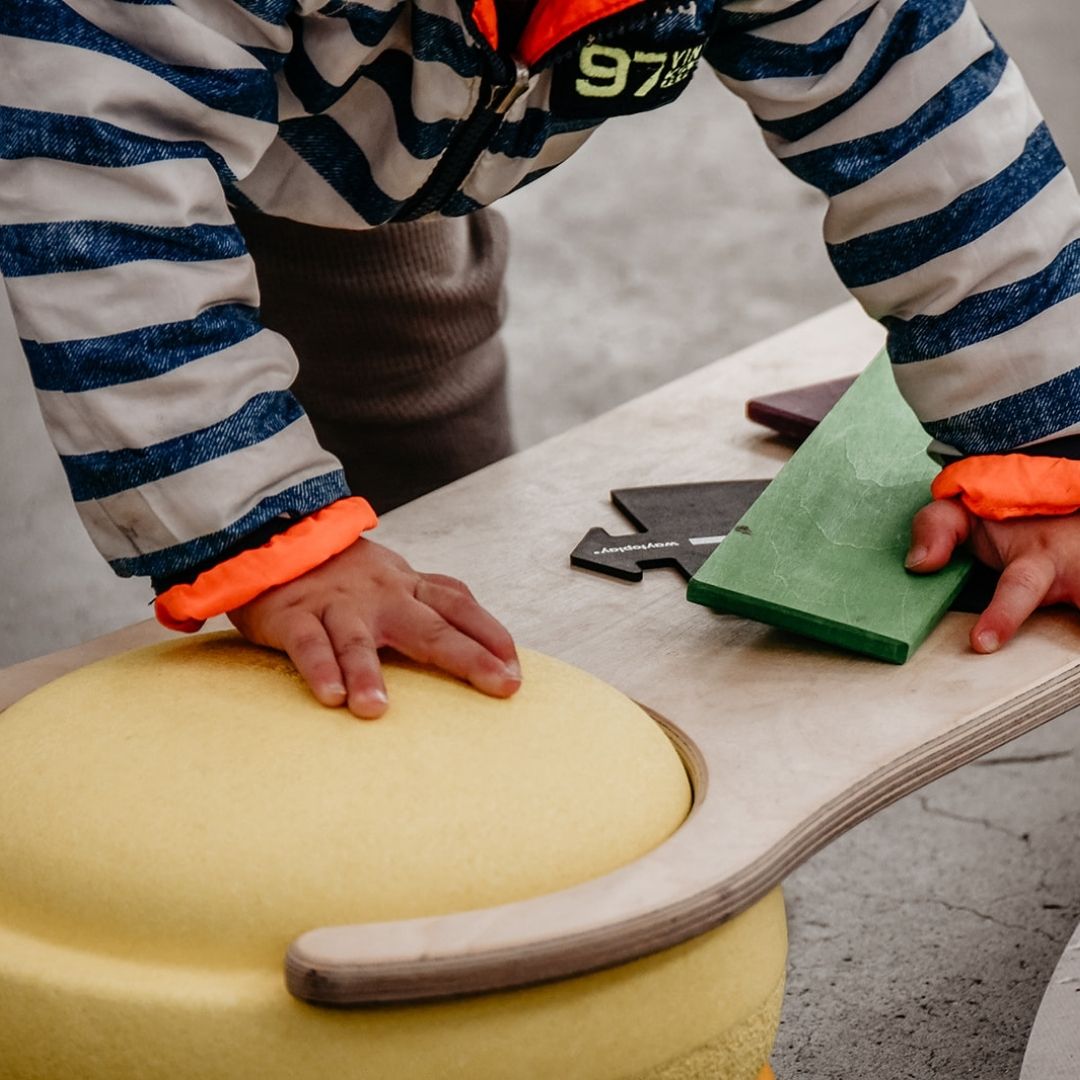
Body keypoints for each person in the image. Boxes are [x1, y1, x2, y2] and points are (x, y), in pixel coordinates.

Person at [3, 0, 1080, 718]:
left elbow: (920, 111)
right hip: (109, 96)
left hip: (370, 130)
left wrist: (1040, 443)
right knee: (295, 559)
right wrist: (264, 535)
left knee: (431, 484)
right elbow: (92, 180)